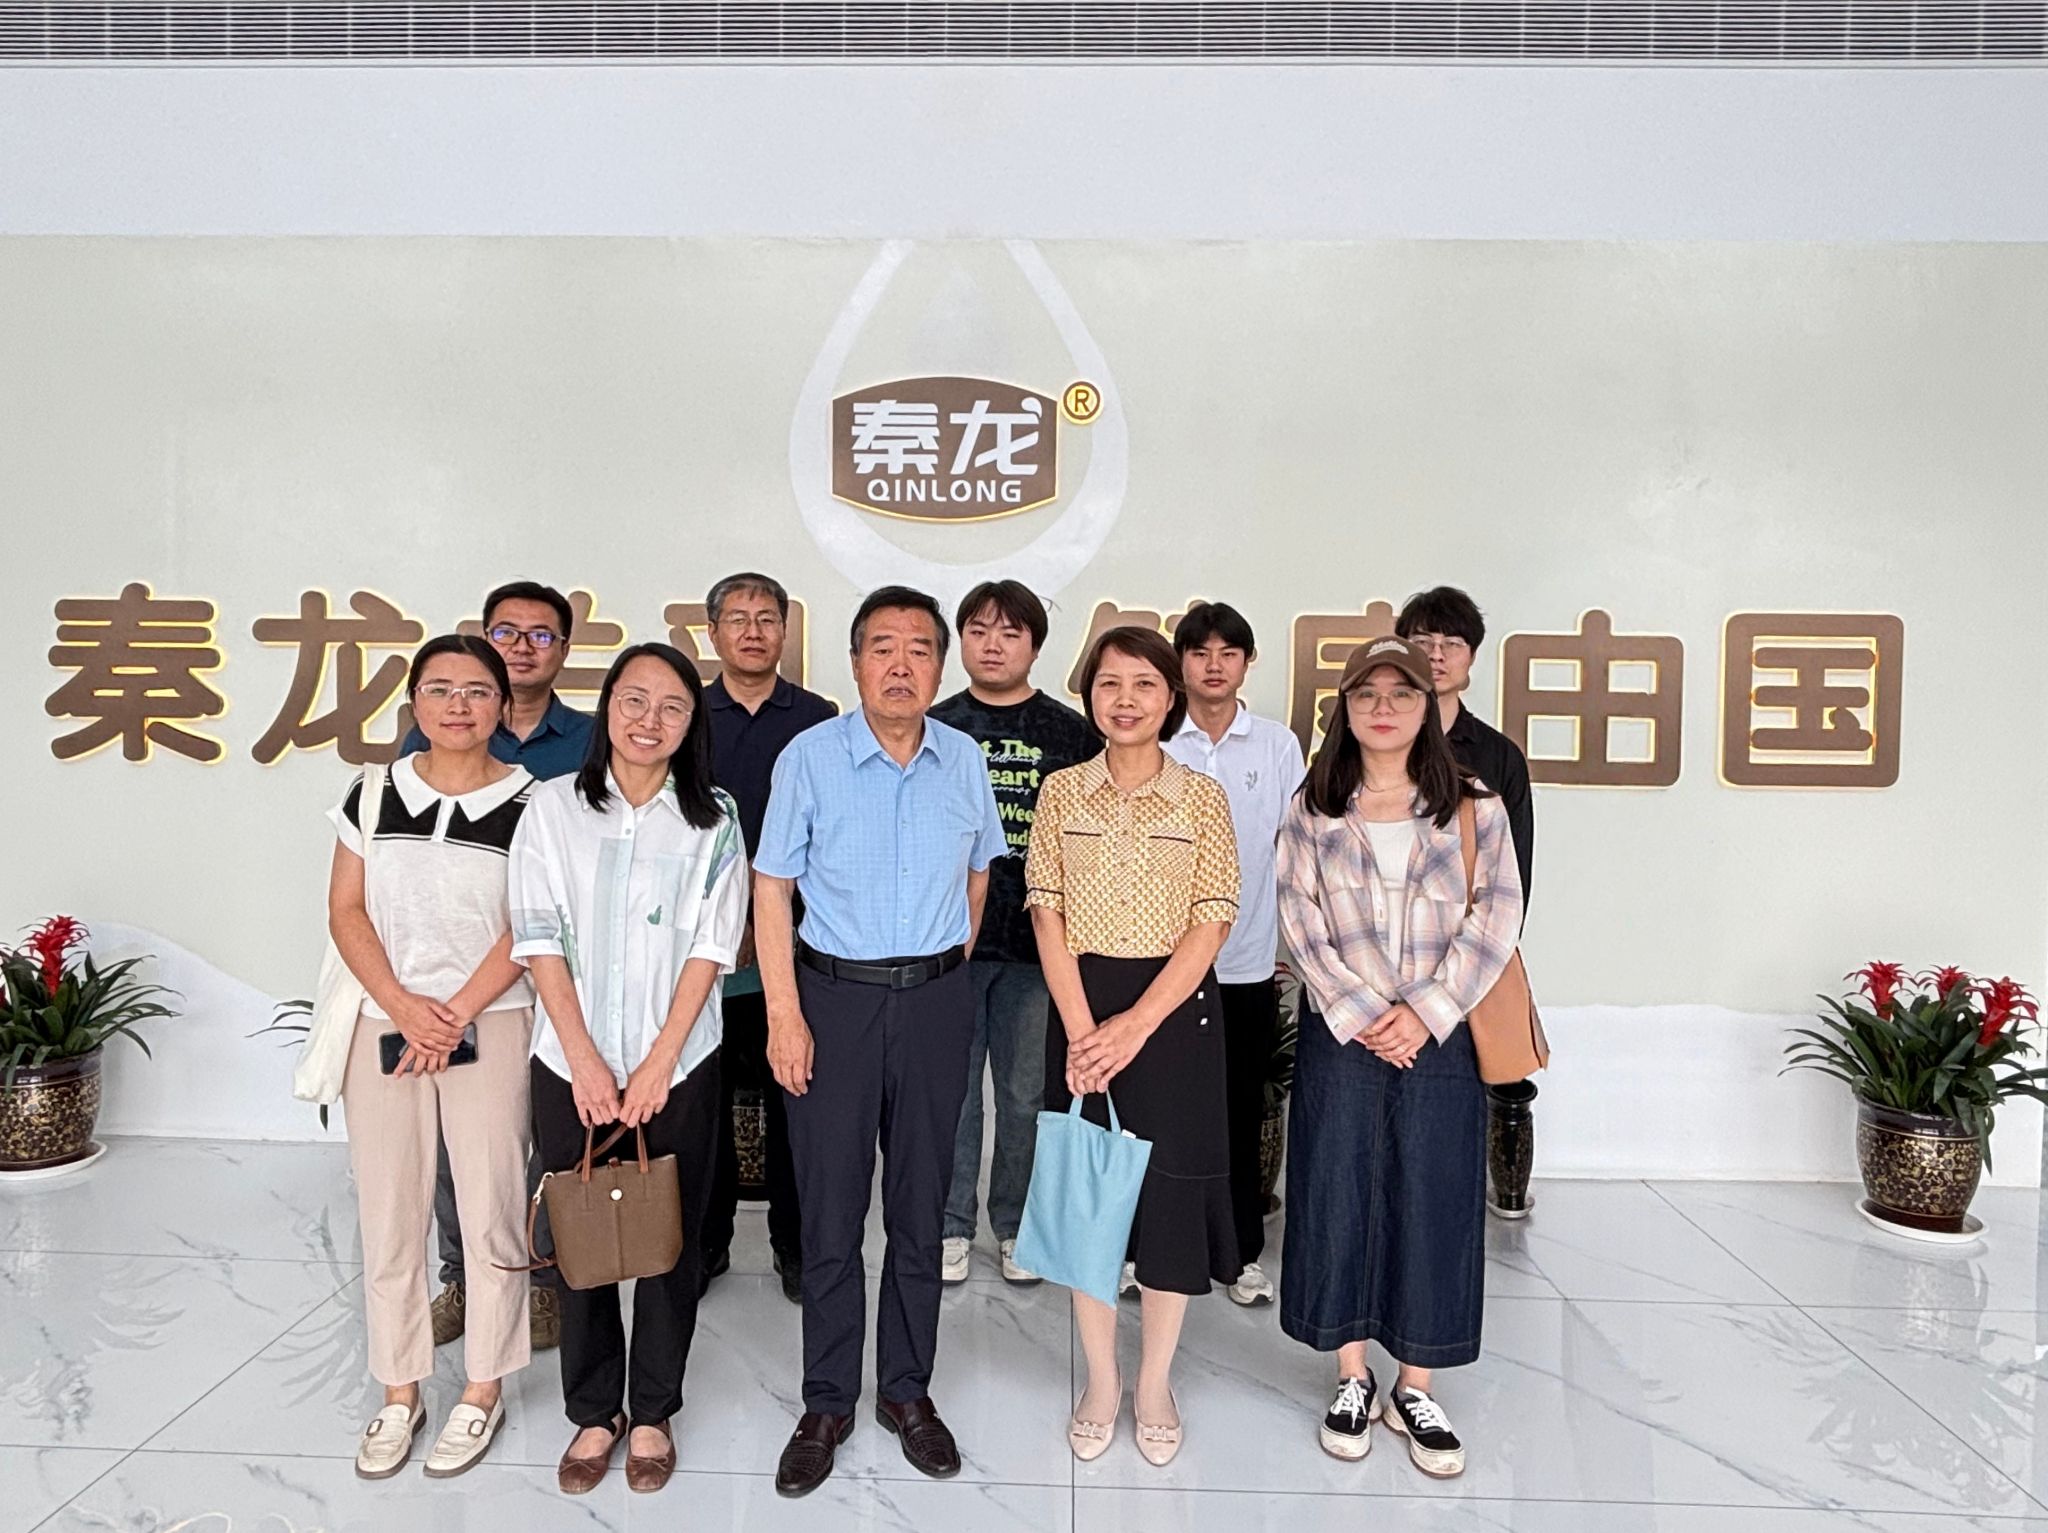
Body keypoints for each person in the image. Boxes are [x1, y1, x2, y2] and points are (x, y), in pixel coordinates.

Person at [753, 586, 1008, 1498]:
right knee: (829, 1210)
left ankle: (906, 1389)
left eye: (919, 649)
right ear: (855, 661)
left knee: (920, 1205)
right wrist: (785, 1013)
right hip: (832, 1001)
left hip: (935, 1001)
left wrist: (939, 971)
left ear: (940, 665)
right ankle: (827, 1399)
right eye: (883, 647)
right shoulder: (809, 757)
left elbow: (978, 875)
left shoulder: (963, 757)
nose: (901, 665)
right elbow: (773, 888)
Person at [1274, 635, 1524, 1478]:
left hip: (1438, 1034)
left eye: (1402, 693)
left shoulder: (1475, 806)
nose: (1384, 708)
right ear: (1344, 708)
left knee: (1435, 1194)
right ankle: (1350, 1373)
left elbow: (1497, 915)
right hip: (1343, 1031)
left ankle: (1415, 1383)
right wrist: (1361, 1011)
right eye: (1367, 694)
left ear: (1428, 705)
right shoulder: (1315, 804)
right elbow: (1298, 914)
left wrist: (1426, 1011)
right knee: (1335, 1188)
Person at [508, 644, 748, 1496]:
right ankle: (592, 1410)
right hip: (567, 1061)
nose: (650, 720)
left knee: (665, 1238)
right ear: (607, 705)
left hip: (677, 1062)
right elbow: (537, 934)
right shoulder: (552, 808)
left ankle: (651, 1409)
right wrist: (583, 1059)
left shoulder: (713, 817)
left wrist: (658, 1063)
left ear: (691, 724)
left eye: (672, 706)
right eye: (634, 700)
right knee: (582, 1236)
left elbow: (712, 946)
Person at [1024, 626, 1242, 1468]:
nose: (1125, 699)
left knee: (1167, 1206)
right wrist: (1086, 1031)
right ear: (1089, 696)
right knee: (1090, 1197)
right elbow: (1046, 910)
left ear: (1171, 698)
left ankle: (1154, 1383)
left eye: (1144, 684)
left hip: (1174, 1017)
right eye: (1109, 683)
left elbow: (1212, 919)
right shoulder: (1061, 792)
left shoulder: (1201, 798)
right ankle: (1101, 1380)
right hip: (1080, 1005)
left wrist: (1135, 1025)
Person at [329, 634, 536, 1481]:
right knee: (391, 1210)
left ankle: (482, 1387)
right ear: (413, 702)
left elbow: (530, 925)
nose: (459, 704)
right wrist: (407, 1005)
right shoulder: (373, 791)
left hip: (494, 1023)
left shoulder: (533, 802)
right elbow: (346, 909)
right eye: (441, 688)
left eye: (477, 690)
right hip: (384, 1025)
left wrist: (455, 1013)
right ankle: (399, 1390)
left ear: (503, 706)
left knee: (491, 1207)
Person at [402, 580, 594, 1356]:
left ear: (564, 650)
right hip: (456, 979)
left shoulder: (589, 741)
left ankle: (539, 1278)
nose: (522, 647)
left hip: (558, 972)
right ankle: (463, 1274)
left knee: (546, 1133)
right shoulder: (432, 738)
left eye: (540, 635)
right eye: (506, 632)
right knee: (457, 1140)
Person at [932, 580, 1098, 1288]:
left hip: (1039, 952)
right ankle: (950, 1225)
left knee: (1027, 1095)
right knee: (954, 1094)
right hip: (951, 946)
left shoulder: (1073, 733)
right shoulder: (935, 725)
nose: (993, 645)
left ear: (1035, 645)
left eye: (1009, 632)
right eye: (978, 630)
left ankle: (1016, 1227)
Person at [696, 572, 836, 1305]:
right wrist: (728, 921)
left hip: (795, 944)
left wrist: (767, 919)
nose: (753, 631)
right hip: (703, 947)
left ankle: (794, 1245)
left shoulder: (818, 719)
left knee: (794, 1099)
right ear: (713, 632)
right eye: (738, 618)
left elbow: (828, 835)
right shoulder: (688, 714)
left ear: (786, 630)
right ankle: (706, 1242)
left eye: (766, 618)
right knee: (706, 1101)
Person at [1164, 600, 1305, 1308]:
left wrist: (1288, 949)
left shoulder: (1276, 746)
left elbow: (1297, 851)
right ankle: (1151, 1249)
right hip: (1161, 966)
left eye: (1228, 652)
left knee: (1239, 1113)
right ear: (1180, 663)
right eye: (1199, 652)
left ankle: (1240, 1253)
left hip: (1246, 963)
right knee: (1160, 1115)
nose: (1213, 665)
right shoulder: (1160, 739)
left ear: (1248, 662)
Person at [1395, 586, 1539, 1218]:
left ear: (1472, 657)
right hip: (1379, 968)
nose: (1436, 654)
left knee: (1457, 1112)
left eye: (1451, 643)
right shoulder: (1365, 741)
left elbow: (1514, 880)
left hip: (1464, 967)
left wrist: (1467, 968)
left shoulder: (1497, 756)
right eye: (1422, 641)